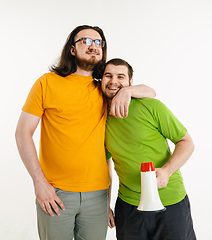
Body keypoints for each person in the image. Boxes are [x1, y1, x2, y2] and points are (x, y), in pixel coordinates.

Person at [15, 26, 155, 240]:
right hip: (55, 193)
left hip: (97, 196)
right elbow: (23, 132)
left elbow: (151, 92)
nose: (93, 46)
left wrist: (127, 90)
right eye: (86, 41)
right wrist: (39, 184)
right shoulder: (47, 82)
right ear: (72, 49)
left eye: (98, 42)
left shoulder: (104, 89)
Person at [102, 58, 196, 240]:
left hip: (170, 202)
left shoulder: (152, 106)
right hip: (128, 207)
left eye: (120, 76)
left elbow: (186, 142)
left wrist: (167, 171)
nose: (114, 81)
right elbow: (106, 165)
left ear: (130, 82)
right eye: (108, 75)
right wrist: (105, 204)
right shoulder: (99, 117)